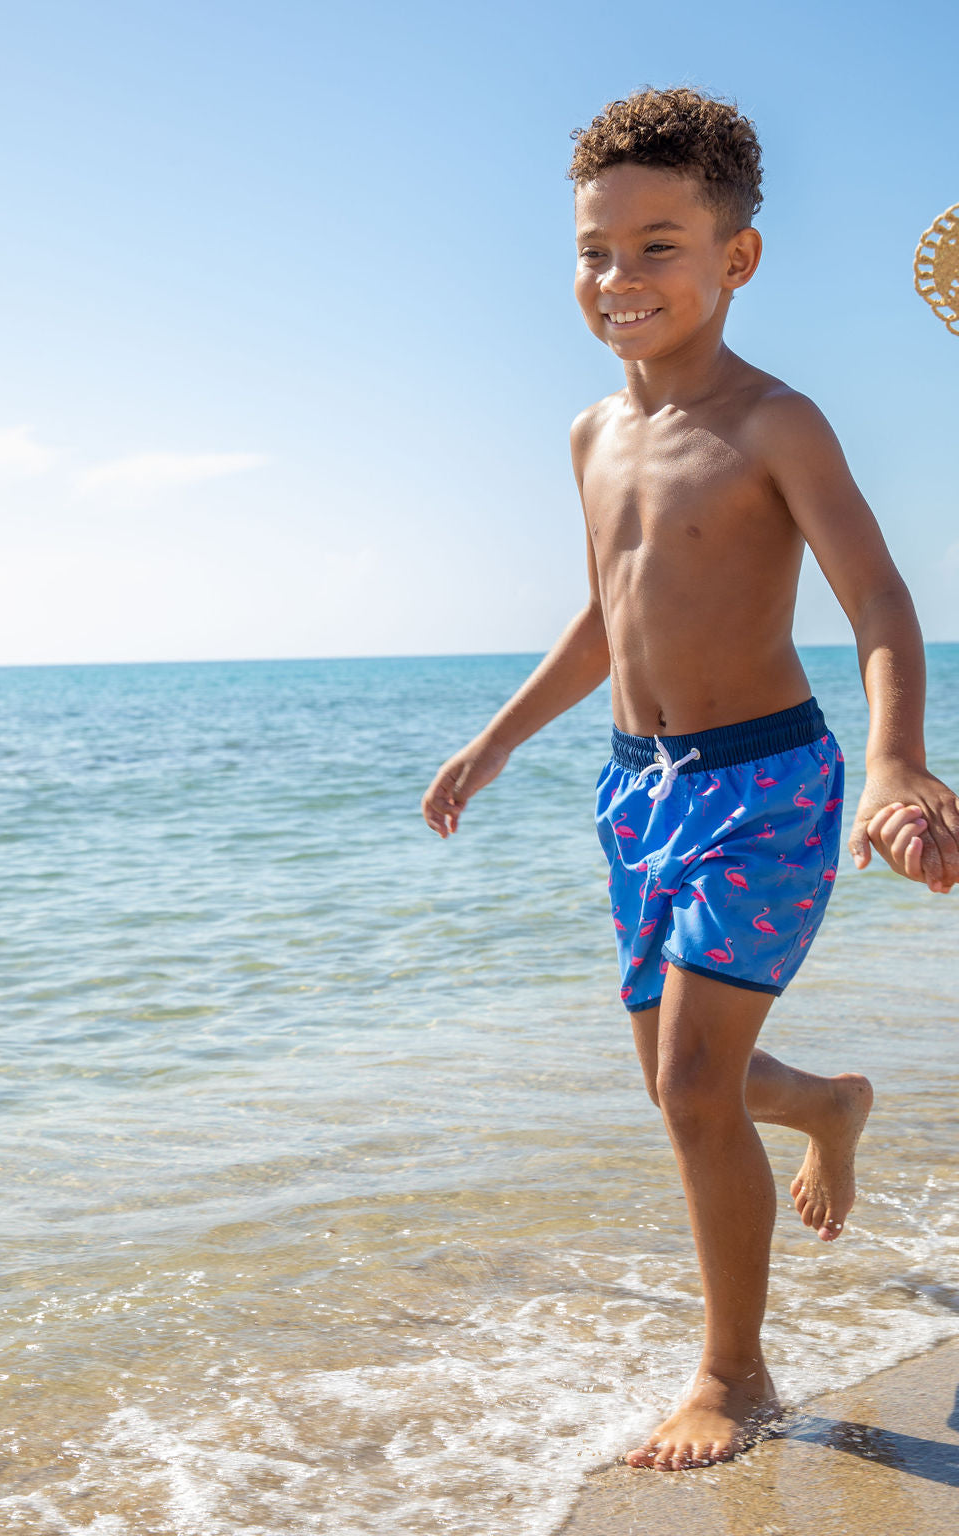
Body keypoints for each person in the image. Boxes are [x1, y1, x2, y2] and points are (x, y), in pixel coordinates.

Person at [420, 87, 959, 1472]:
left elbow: (883, 605)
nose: (620, 279)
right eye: (598, 250)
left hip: (767, 784)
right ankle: (833, 1105)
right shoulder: (593, 436)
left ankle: (735, 1372)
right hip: (637, 788)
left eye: (660, 246)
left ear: (738, 260)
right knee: (680, 1084)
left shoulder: (778, 424)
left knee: (695, 1091)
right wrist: (500, 738)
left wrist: (896, 755)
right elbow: (611, 614)